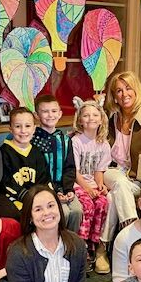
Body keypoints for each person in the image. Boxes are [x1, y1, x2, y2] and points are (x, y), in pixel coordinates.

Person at [95, 71, 141, 274]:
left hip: (135, 178)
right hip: (111, 171)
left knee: (115, 197)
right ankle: (135, 240)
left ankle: (101, 249)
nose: (124, 94)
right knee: (119, 183)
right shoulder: (112, 118)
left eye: (128, 88)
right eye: (119, 91)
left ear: (137, 90)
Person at [32, 94, 83, 233]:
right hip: (45, 188)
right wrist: (55, 191)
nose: (50, 115)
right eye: (45, 111)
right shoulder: (34, 140)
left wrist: (68, 190)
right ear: (36, 115)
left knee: (77, 211)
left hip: (64, 187)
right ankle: (57, 243)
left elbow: (70, 167)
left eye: (54, 111)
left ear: (60, 113)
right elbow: (39, 172)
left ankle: (71, 244)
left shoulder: (65, 139)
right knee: (64, 213)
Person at [70, 97, 111, 270]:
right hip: (78, 185)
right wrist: (87, 189)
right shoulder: (76, 141)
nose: (91, 118)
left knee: (103, 203)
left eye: (95, 115)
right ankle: (82, 245)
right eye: (86, 115)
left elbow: (98, 171)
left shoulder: (103, 144)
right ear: (80, 119)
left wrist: (99, 185)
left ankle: (95, 244)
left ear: (101, 119)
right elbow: (75, 172)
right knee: (87, 206)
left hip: (92, 185)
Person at [0, 107, 51, 221]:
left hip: (34, 199)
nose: (23, 131)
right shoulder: (4, 152)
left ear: (34, 128)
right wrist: (27, 198)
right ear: (11, 129)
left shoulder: (37, 153)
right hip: (13, 198)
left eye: (28, 126)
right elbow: (5, 182)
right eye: (18, 126)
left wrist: (40, 197)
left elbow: (44, 180)